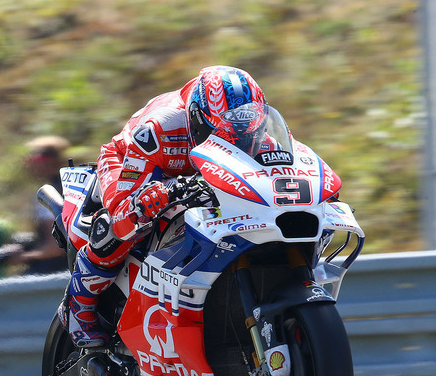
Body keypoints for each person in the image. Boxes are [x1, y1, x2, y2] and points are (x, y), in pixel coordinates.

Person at [64, 65, 266, 348]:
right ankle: (78, 304)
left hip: (203, 172)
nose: (234, 143)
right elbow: (124, 212)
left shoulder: (255, 129)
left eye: (244, 135)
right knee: (123, 224)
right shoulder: (159, 130)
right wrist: (144, 200)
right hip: (135, 161)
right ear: (197, 119)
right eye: (220, 135)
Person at [16, 136, 71, 274]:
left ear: (47, 162)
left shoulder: (47, 194)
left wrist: (21, 257)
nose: (29, 164)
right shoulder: (70, 186)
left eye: (34, 160)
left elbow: (55, 248)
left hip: (58, 270)